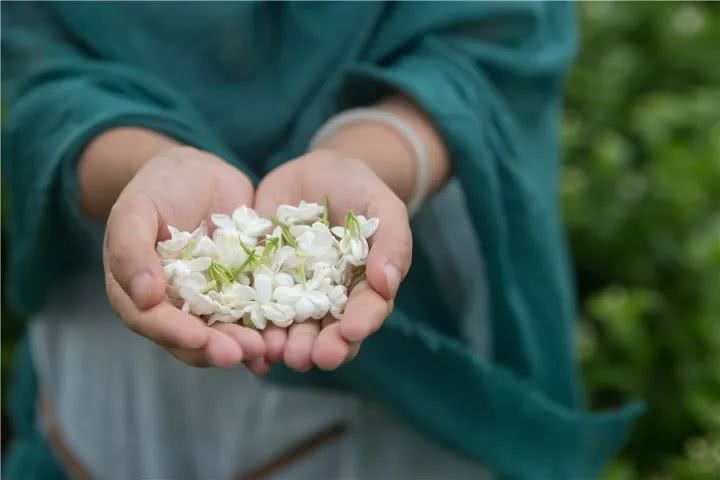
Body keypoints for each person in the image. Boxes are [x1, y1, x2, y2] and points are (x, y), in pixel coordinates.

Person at [1, 2, 640, 479]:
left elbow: (498, 35)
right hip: (130, 350)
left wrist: (370, 155)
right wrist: (140, 166)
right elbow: (32, 58)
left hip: (418, 348)